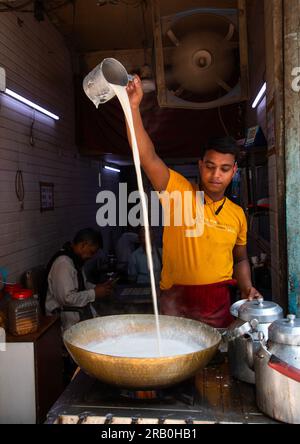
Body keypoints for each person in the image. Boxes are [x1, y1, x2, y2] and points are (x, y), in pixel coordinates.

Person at [125, 76, 261, 328]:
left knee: (216, 365)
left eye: (224, 168)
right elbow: (147, 156)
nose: (215, 175)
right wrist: (132, 108)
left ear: (234, 171)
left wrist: (246, 287)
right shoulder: (178, 192)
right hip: (175, 304)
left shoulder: (237, 214)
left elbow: (240, 257)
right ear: (200, 166)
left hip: (218, 307)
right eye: (209, 166)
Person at [45, 228, 113, 331]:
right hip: (64, 322)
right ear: (83, 245)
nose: (91, 256)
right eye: (91, 252)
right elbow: (67, 299)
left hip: (78, 315)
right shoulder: (63, 264)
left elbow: (82, 284)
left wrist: (98, 288)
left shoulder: (75, 261)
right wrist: (94, 293)